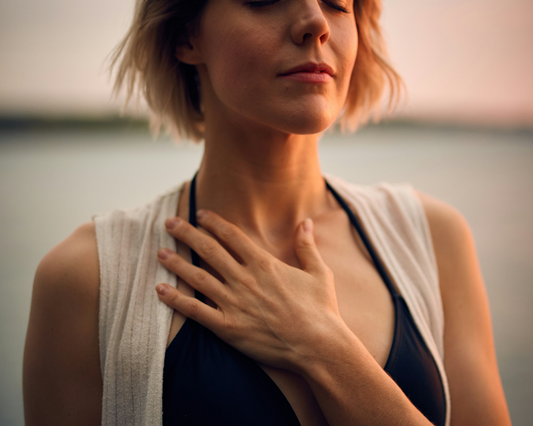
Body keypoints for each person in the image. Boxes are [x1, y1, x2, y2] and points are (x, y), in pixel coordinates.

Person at [23, 0, 512, 425]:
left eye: (338, 1)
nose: (314, 22)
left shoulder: (432, 238)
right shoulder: (88, 279)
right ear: (185, 35)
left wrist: (324, 349)